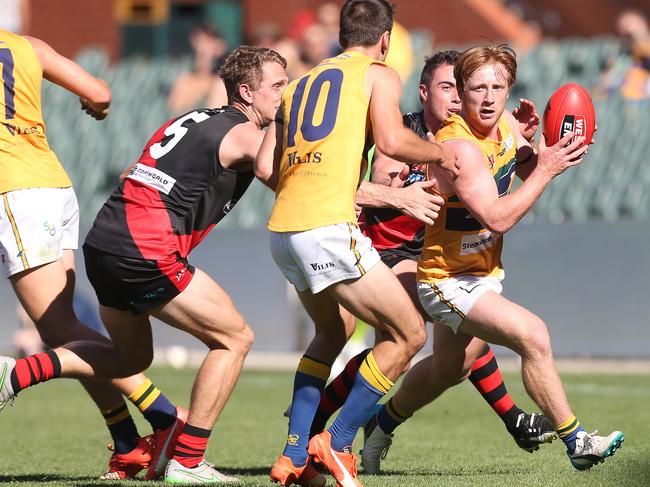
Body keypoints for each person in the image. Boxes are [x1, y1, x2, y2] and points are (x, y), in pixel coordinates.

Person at [1, 45, 289, 483]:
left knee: (130, 357)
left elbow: (130, 174)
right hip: (143, 247)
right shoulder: (247, 134)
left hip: (105, 238)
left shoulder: (188, 120)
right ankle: (188, 461)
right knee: (235, 339)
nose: (284, 95)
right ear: (246, 92)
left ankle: (17, 374)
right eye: (278, 87)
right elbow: (289, 182)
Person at [309, 51, 555, 475]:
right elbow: (368, 182)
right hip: (389, 254)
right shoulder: (405, 133)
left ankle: (359, 423)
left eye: (459, 89)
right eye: (446, 89)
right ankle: (318, 427)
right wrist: (400, 186)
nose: (457, 99)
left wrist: (517, 148)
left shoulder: (473, 136)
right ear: (424, 93)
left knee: (462, 350)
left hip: (435, 256)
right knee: (411, 335)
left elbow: (492, 189)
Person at [255, 1, 459, 485]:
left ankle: (294, 456)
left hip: (284, 231)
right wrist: (441, 154)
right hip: (328, 229)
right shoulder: (378, 73)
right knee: (409, 334)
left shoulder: (301, 82)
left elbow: (266, 168)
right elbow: (391, 139)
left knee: (331, 333)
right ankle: (338, 440)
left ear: (341, 34)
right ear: (385, 39)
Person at [416, 44, 622, 470]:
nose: (489, 97)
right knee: (534, 335)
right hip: (446, 278)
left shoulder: (506, 124)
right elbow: (497, 217)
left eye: (498, 86)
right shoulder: (458, 146)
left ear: (509, 88)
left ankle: (379, 428)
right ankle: (578, 441)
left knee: (447, 369)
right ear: (462, 91)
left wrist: (554, 152)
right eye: (478, 88)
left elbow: (529, 170)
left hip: (482, 272)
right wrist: (545, 168)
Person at [0, 29, 189, 481]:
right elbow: (100, 93)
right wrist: (94, 108)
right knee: (63, 329)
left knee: (61, 328)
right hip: (53, 185)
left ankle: (167, 419)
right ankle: (128, 441)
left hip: (16, 192)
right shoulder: (25, 45)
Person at [167, 24, 229, 114]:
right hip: (188, 117)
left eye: (208, 42)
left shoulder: (221, 80)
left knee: (220, 86)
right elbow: (174, 107)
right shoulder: (185, 78)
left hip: (209, 117)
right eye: (199, 42)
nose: (203, 46)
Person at [594, 9, 650, 101]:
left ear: (643, 23)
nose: (626, 28)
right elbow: (601, 90)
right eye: (621, 26)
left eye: (629, 22)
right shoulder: (623, 58)